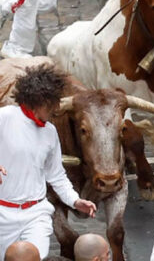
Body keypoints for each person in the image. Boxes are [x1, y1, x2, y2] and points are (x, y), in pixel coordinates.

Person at [0, 64, 97, 260]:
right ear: (40, 100)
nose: (57, 108)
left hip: (37, 214)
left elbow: (57, 175)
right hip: (3, 215)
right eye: (53, 103)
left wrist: (75, 200)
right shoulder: (5, 117)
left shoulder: (50, 132)